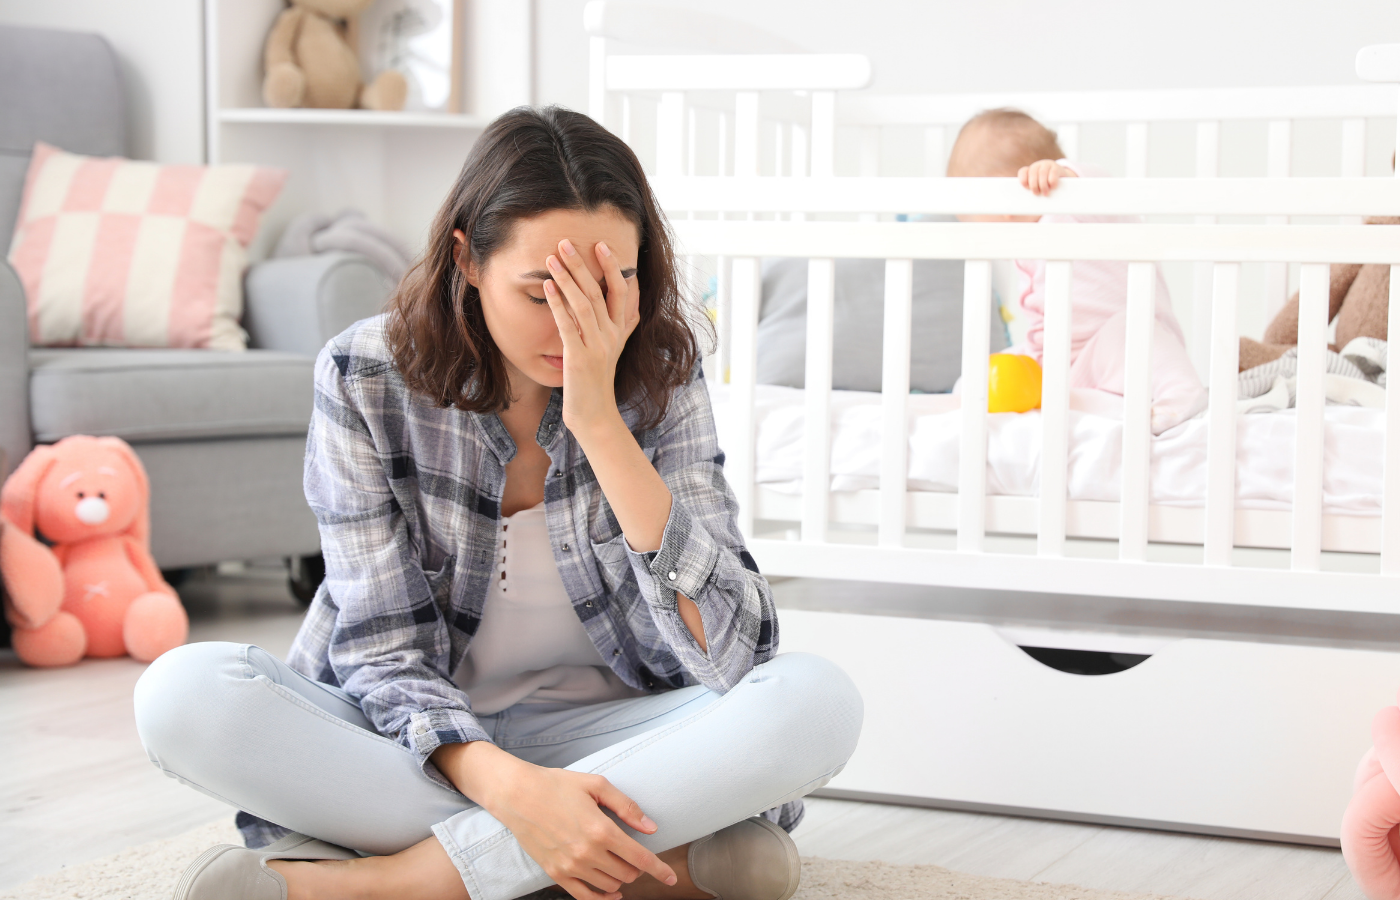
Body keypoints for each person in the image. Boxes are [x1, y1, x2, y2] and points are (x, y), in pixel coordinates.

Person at [133, 106, 863, 900]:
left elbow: (738, 651)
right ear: (468, 262)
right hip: (420, 749)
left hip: (618, 742)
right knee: (181, 695)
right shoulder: (365, 374)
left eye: (610, 284)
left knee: (816, 704)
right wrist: (514, 792)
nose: (577, 322)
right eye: (544, 290)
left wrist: (598, 424)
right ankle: (642, 867)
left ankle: (388, 885)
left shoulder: (659, 373)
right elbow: (382, 655)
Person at [947, 108, 1207, 434]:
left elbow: (1100, 183)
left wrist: (1065, 175)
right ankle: (965, 395)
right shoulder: (1025, 247)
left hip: (1124, 354)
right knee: (998, 365)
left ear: (1005, 204)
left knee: (1128, 331)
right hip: (1066, 364)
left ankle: (1182, 393)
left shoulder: (1072, 205)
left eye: (978, 227)